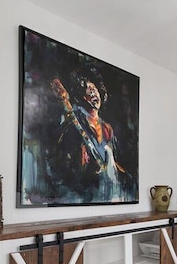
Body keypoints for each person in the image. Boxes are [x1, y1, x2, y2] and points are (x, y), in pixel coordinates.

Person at [51, 67, 130, 203]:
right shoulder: (74, 125)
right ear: (81, 96)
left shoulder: (107, 129)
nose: (94, 93)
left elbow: (114, 163)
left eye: (95, 89)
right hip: (84, 194)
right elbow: (63, 162)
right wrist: (78, 160)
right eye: (89, 90)